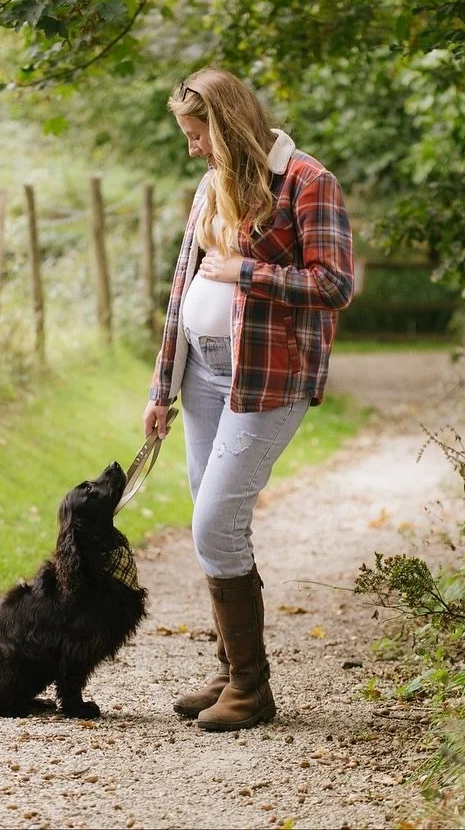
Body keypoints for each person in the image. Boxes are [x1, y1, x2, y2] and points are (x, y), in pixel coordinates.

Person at [142, 67, 354, 732]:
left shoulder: (308, 181)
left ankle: (252, 689)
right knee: (216, 525)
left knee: (213, 524)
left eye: (196, 133)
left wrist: (246, 272)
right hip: (202, 375)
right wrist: (162, 389)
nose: (191, 148)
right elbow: (182, 287)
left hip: (267, 376)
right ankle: (232, 671)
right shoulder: (213, 185)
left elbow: (334, 284)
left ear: (226, 124)